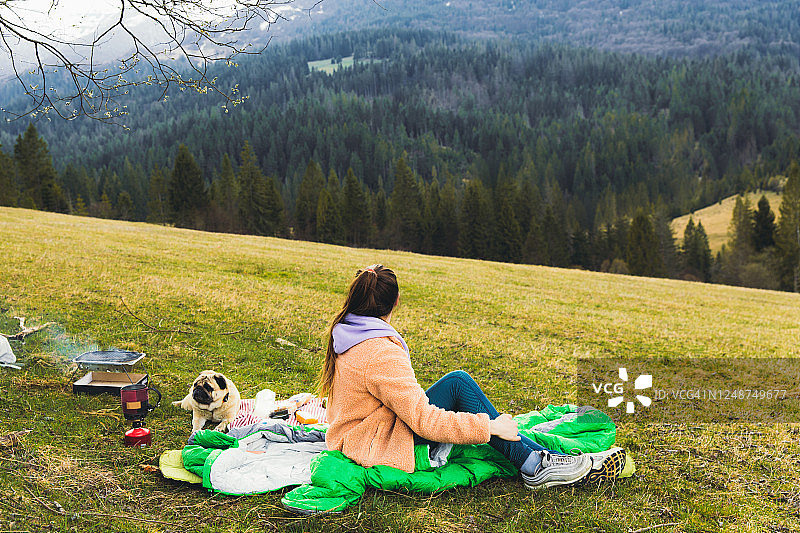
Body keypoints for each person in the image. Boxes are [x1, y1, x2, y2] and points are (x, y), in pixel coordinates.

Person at [319, 264, 624, 489]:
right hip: (376, 442)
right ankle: (536, 465)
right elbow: (424, 422)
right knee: (459, 384)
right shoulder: (379, 352)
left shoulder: (347, 333)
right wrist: (489, 426)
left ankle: (545, 459)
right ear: (396, 301)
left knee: (457, 384)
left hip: (360, 433)